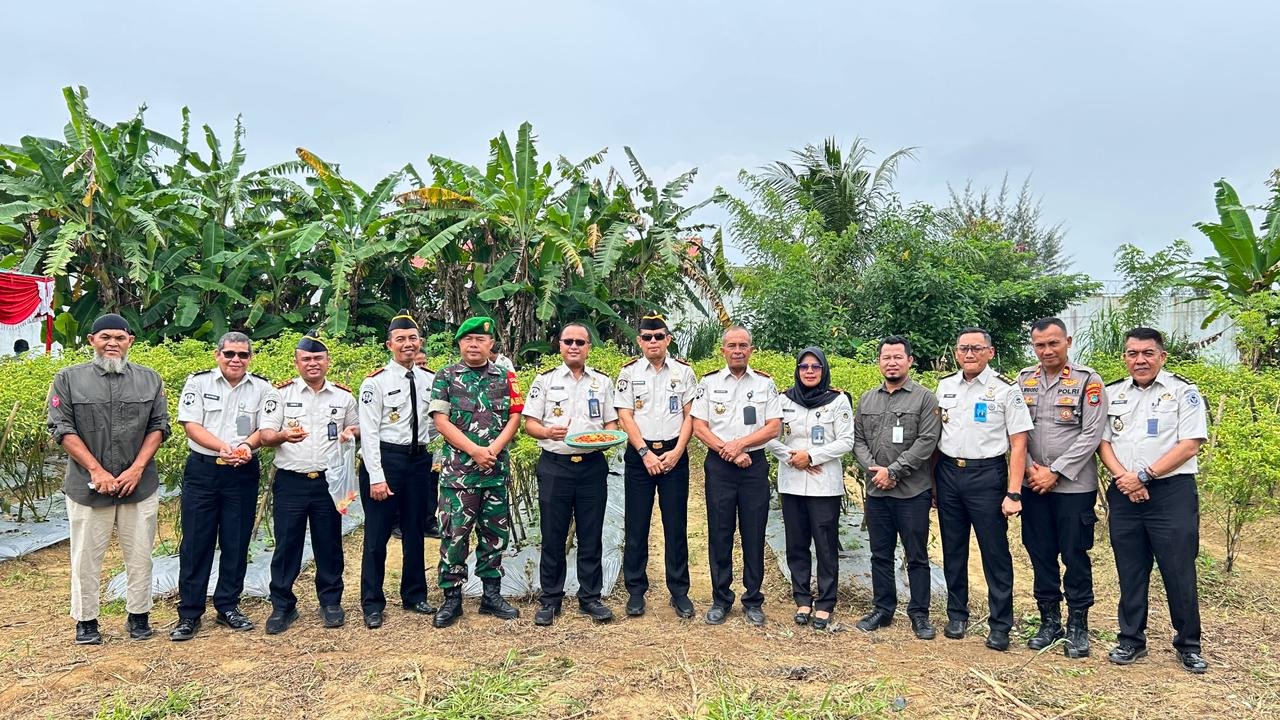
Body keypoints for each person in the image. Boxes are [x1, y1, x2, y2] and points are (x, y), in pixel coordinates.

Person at [46, 313, 169, 645]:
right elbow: (62, 428)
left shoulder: (150, 380)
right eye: (105, 337)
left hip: (138, 486)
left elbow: (159, 427)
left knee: (141, 554)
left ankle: (139, 616)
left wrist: (137, 469)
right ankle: (86, 620)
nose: (112, 343)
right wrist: (97, 471)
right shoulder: (68, 379)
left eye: (119, 337)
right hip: (88, 488)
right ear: (92, 341)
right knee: (86, 556)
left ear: (130, 341)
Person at [1099, 327, 1209, 673]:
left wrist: (1144, 476)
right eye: (1133, 353)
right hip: (1124, 492)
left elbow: (1190, 444)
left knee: (1178, 570)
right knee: (1130, 570)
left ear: (1162, 356)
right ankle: (1131, 640)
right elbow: (1103, 443)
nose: (1140, 360)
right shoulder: (1113, 393)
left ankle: (1188, 644)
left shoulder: (1183, 392)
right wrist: (1125, 479)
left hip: (1170, 494)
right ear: (1125, 358)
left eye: (1147, 353)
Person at [934, 327, 1032, 651]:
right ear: (956, 353)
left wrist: (1013, 491)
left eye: (977, 348)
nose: (970, 354)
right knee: (953, 548)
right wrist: (934, 483)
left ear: (990, 352)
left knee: (994, 552)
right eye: (964, 348)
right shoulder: (945, 386)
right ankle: (956, 615)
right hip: (949, 473)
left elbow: (1019, 443)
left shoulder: (1005, 389)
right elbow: (937, 436)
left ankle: (1000, 624)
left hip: (987, 476)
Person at [171, 331, 273, 640]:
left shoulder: (262, 388)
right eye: (229, 354)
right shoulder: (198, 383)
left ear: (250, 358)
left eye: (243, 355)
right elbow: (191, 425)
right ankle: (189, 614)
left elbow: (263, 429)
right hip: (204, 471)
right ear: (218, 355)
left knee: (236, 541)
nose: (236, 360)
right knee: (196, 543)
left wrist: (244, 447)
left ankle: (228, 605)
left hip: (242, 471)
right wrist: (223, 449)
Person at [257, 333, 359, 634]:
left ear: (327, 362)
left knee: (329, 543)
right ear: (297, 363)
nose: (312, 363)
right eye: (306, 359)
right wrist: (283, 436)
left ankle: (330, 602)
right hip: (291, 481)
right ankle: (283, 606)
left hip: (328, 482)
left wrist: (350, 432)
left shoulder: (343, 397)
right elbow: (264, 436)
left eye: (318, 358)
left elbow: (356, 427)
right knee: (287, 544)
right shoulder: (280, 395)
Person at [1016, 318, 1106, 658]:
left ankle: (1078, 626)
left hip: (1073, 486)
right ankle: (1049, 621)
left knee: (1074, 555)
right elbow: (1016, 431)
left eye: (1053, 343)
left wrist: (1055, 471)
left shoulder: (1088, 381)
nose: (1047, 350)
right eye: (1040, 345)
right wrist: (1030, 470)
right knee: (1040, 553)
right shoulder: (1024, 379)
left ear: (1067, 341)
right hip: (1033, 484)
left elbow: (1091, 435)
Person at [428, 317, 524, 628]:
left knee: (495, 536)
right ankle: (452, 598)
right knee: (455, 536)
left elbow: (514, 417)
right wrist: (475, 451)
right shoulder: (445, 377)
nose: (473, 344)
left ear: (491, 344)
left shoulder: (506, 377)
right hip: (459, 476)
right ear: (459, 344)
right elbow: (441, 422)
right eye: (467, 339)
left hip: (494, 472)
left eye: (480, 340)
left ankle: (491, 596)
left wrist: (492, 451)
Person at [523, 323, 619, 626]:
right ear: (560, 345)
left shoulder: (602, 382)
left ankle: (590, 597)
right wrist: (549, 431)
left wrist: (607, 439)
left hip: (591, 466)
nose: (574, 346)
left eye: (580, 342)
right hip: (555, 466)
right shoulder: (545, 381)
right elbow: (530, 424)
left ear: (589, 347)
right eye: (568, 341)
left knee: (591, 534)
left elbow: (611, 425)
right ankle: (550, 598)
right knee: (553, 534)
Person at [692, 326, 782, 626]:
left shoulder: (765, 384)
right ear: (723, 350)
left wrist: (741, 445)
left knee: (754, 533)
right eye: (732, 345)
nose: (738, 350)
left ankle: (753, 599)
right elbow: (699, 426)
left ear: (751, 350)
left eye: (743, 345)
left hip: (753, 465)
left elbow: (773, 427)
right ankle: (721, 599)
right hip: (719, 466)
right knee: (720, 532)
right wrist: (728, 451)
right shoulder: (708, 383)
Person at [852, 336, 941, 639]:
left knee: (916, 555)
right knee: (880, 553)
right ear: (879, 361)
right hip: (877, 492)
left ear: (909, 361)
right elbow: (859, 440)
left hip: (911, 492)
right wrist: (874, 471)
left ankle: (919, 613)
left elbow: (927, 441)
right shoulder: (867, 399)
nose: (891, 362)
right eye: (886, 357)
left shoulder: (924, 398)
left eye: (897, 357)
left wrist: (894, 471)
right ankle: (883, 608)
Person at [357, 311, 438, 629]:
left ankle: (415, 594)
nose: (407, 344)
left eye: (412, 338)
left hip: (418, 462)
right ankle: (372, 602)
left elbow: (434, 424)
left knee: (415, 531)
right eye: (401, 339)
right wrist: (376, 477)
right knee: (377, 536)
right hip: (385, 461)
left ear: (420, 343)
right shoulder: (374, 382)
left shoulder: (429, 379)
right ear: (390, 344)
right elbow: (370, 432)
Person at [614, 314, 698, 619]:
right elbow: (625, 416)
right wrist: (645, 452)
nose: (653, 342)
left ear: (668, 340)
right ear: (639, 341)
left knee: (676, 525)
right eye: (647, 337)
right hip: (640, 457)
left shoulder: (685, 373)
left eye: (658, 336)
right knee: (636, 525)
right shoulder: (628, 374)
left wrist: (677, 452)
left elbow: (691, 415)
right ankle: (636, 591)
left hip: (674, 454)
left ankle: (679, 592)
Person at [766, 347, 855, 631]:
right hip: (792, 481)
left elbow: (846, 441)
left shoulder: (838, 401)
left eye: (815, 367)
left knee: (825, 546)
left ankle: (826, 603)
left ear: (823, 369)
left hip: (824, 484)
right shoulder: (783, 400)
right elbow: (769, 436)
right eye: (804, 366)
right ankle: (803, 598)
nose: (809, 372)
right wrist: (793, 457)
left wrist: (812, 457)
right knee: (796, 543)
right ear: (797, 370)